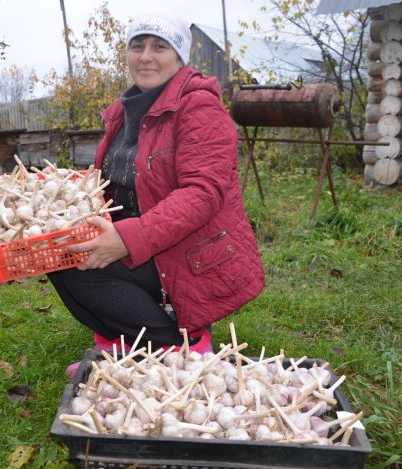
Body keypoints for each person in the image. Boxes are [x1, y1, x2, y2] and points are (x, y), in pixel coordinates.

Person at [47, 12, 265, 378]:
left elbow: (202, 194)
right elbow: (115, 181)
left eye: (159, 47)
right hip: (149, 241)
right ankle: (126, 340)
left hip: (189, 250)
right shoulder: (126, 110)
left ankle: (180, 347)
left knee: (82, 265)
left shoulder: (200, 107)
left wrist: (125, 239)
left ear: (179, 56)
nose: (146, 56)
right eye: (138, 46)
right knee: (60, 252)